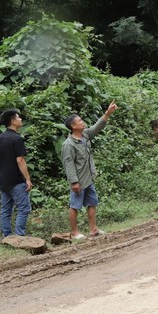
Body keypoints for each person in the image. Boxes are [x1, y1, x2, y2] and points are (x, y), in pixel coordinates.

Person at [61, 101, 117, 240]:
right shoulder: (69, 144)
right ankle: (75, 232)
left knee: (92, 202)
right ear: (73, 126)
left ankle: (93, 229)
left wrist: (107, 113)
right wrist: (74, 182)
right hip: (78, 180)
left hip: (88, 177)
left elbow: (97, 127)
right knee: (75, 206)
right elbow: (69, 164)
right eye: (79, 121)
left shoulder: (85, 135)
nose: (82, 122)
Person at [0, 109, 33, 237]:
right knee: (24, 208)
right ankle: (19, 236)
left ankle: (7, 237)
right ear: (13, 121)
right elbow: (20, 160)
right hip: (16, 180)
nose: (21, 119)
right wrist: (27, 179)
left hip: (3, 180)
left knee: (5, 210)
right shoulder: (16, 139)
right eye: (19, 117)